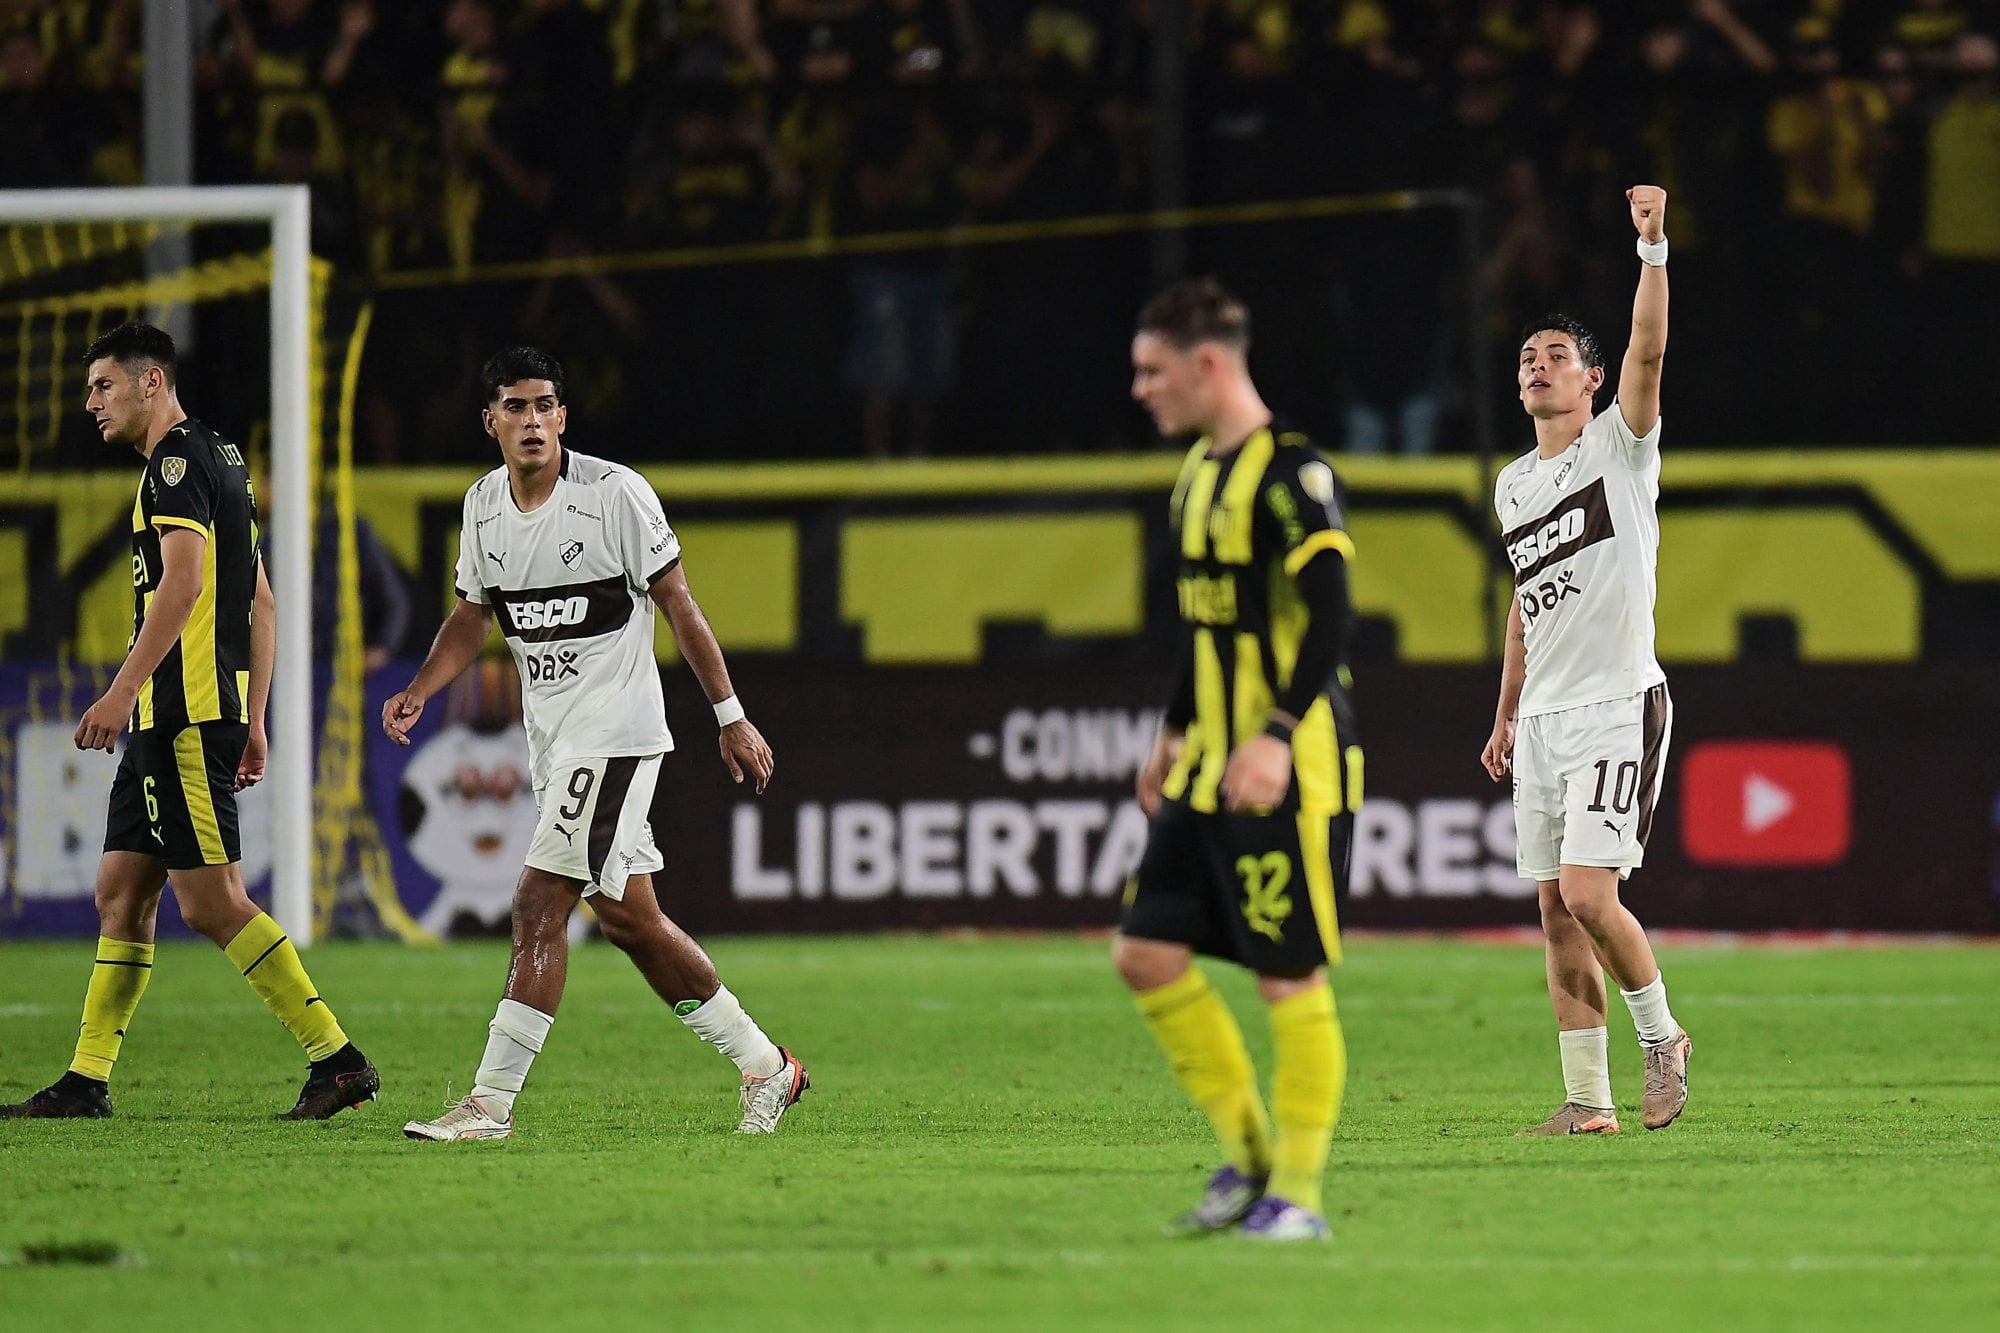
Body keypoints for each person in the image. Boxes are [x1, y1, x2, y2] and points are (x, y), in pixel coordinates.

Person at [388, 347, 806, 1141]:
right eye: (517, 407)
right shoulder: (482, 508)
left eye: (547, 406)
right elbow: (473, 615)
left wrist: (730, 714)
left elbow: (678, 602)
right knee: (632, 921)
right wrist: (419, 689)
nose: (534, 421)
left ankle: (489, 1103)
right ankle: (767, 1067)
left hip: (615, 731)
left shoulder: (615, 495)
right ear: (492, 422)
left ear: (564, 417)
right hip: (553, 741)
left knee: (538, 903)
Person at [1, 322, 378, 1121]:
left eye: (103, 385)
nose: (90, 403)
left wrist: (118, 690)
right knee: (119, 890)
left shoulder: (173, 466)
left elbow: (185, 586)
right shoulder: (223, 458)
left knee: (210, 902)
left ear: (150, 382)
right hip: (183, 717)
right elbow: (261, 601)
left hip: (180, 714)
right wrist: (260, 718)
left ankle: (336, 1056)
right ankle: (87, 1079)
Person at [1119, 279, 1360, 1242]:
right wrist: (1173, 726)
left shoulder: (1289, 474)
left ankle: (1297, 1197)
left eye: (1151, 370)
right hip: (1207, 762)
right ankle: (1251, 1156)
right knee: (1144, 954)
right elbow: (1204, 623)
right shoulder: (1195, 475)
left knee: (1287, 978)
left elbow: (1336, 612)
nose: (1140, 389)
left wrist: (1272, 732)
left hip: (1283, 765)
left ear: (1206, 364)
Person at [1481, 186, 1691, 1137]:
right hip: (1545, 718)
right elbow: (1528, 604)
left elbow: (1649, 346)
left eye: (1557, 356)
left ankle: (1663, 1038)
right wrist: (1504, 713)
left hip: (1616, 700)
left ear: (1593, 381)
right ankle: (1587, 1102)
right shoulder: (1513, 485)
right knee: (1554, 910)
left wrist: (1650, 251)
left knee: (1588, 892)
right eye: (1528, 357)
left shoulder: (1621, 446)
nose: (1538, 366)